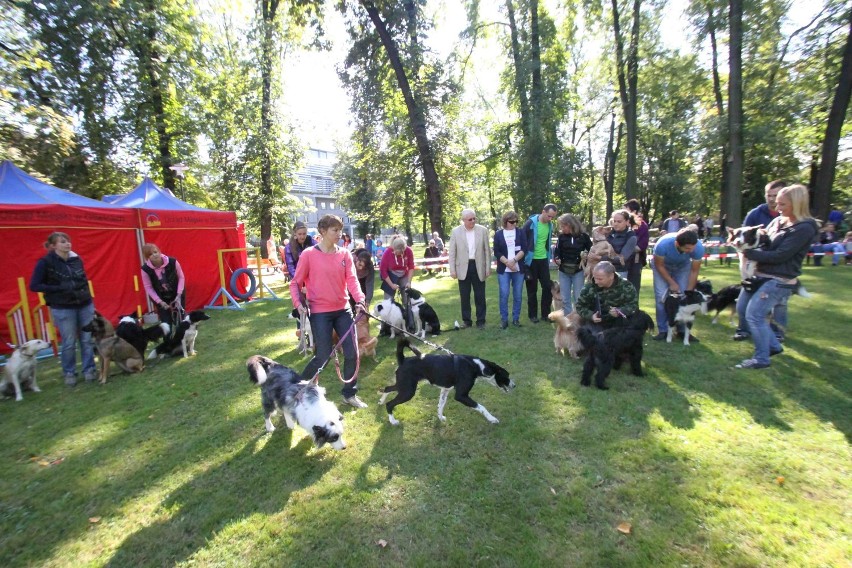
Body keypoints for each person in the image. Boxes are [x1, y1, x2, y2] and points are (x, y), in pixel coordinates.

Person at [734, 184, 818, 369]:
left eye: (783, 204)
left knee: (755, 315)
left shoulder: (804, 228)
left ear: (797, 204)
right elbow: (764, 242)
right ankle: (772, 345)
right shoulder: (778, 221)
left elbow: (780, 255)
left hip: (779, 279)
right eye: (776, 202)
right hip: (759, 275)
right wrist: (742, 241)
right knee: (742, 309)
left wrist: (748, 253)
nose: (777, 207)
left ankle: (761, 359)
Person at [289, 214, 368, 407]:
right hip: (320, 313)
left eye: (340, 230)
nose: (339, 234)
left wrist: (360, 299)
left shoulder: (345, 254)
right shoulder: (308, 255)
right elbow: (295, 283)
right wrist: (298, 303)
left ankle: (349, 394)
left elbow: (352, 280)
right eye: (335, 230)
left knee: (352, 353)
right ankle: (296, 390)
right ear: (322, 232)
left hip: (343, 310)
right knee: (322, 356)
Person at [29, 232, 96, 386]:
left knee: (86, 338)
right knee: (69, 341)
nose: (67, 244)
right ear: (53, 246)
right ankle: (69, 372)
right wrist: (57, 288)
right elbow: (34, 285)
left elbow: (83, 279)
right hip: (63, 307)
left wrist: (87, 296)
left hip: (84, 303)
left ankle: (89, 369)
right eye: (63, 242)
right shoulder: (45, 262)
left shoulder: (76, 259)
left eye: (68, 241)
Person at [650, 228, 705, 341]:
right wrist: (671, 283)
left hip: (683, 267)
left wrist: (689, 291)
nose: (691, 250)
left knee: (684, 297)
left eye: (692, 247)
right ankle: (663, 331)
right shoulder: (663, 244)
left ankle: (682, 331)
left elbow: (694, 271)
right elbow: (659, 265)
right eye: (687, 248)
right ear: (677, 244)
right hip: (662, 266)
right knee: (661, 297)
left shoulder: (698, 248)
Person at [448, 208, 491, 329]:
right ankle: (467, 321)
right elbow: (452, 252)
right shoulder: (455, 232)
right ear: (463, 220)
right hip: (462, 268)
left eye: (474, 218)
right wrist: (452, 269)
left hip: (478, 266)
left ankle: (481, 320)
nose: (473, 221)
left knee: (480, 295)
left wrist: (488, 267)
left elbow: (487, 250)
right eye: (470, 219)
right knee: (465, 296)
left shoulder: (483, 230)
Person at [521, 203, 558, 323]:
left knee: (547, 287)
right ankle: (532, 315)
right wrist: (525, 259)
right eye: (548, 216)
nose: (550, 219)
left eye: (552, 217)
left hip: (543, 260)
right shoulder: (530, 224)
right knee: (532, 289)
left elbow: (547, 241)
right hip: (531, 261)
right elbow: (521, 241)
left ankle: (546, 314)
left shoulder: (550, 225)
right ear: (543, 211)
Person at [574, 261, 639, 326]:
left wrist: (620, 311)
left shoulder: (626, 286)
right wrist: (591, 316)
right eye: (595, 278)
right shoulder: (589, 287)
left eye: (600, 279)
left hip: (619, 322)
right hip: (596, 323)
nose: (596, 281)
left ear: (611, 276)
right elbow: (580, 306)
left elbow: (633, 306)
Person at [493, 210, 528, 329]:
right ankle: (504, 319)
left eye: (516, 221)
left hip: (518, 268)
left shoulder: (521, 232)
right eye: (512, 221)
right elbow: (497, 251)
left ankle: (516, 319)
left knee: (517, 295)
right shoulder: (498, 234)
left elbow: (524, 248)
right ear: (505, 221)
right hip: (504, 269)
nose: (514, 224)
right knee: (504, 294)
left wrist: (514, 261)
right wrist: (507, 262)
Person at [553, 213, 591, 315]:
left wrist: (586, 257)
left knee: (578, 297)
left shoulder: (584, 237)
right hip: (563, 271)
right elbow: (557, 252)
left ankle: (578, 319)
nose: (561, 228)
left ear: (570, 225)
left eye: (563, 226)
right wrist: (557, 259)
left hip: (578, 271)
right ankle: (567, 321)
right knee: (565, 299)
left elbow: (591, 250)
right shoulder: (561, 237)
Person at [140, 243, 186, 326]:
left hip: (177, 292)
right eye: (150, 254)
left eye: (155, 252)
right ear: (147, 257)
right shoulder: (145, 269)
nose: (154, 255)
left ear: (159, 251)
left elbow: (181, 277)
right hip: (159, 296)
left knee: (179, 319)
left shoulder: (173, 262)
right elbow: (148, 287)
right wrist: (160, 302)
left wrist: (179, 295)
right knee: (166, 322)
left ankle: (181, 337)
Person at [590, 209, 636, 280]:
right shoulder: (607, 233)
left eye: (619, 221)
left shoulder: (631, 237)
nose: (616, 224)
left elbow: (622, 259)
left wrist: (599, 258)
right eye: (614, 221)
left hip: (619, 271)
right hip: (601, 270)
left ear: (627, 222)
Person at [624, 199, 649, 294]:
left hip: (635, 260)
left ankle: (633, 308)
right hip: (622, 261)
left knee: (633, 285)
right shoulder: (621, 224)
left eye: (626, 210)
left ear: (634, 211)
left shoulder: (642, 225)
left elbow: (642, 244)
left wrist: (626, 251)